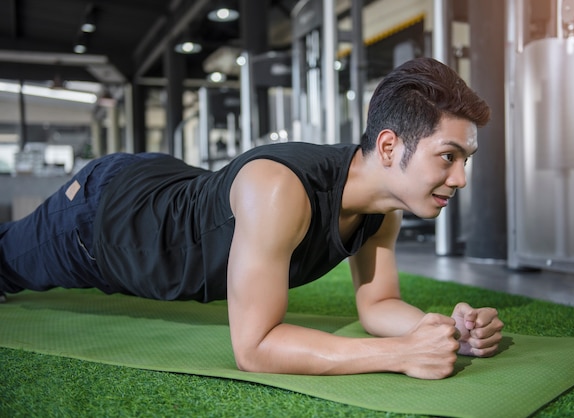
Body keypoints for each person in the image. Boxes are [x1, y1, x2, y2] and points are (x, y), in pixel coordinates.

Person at [0, 57, 503, 380]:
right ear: (390, 147)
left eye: (467, 161)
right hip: (102, 217)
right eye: (448, 157)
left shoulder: (382, 208)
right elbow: (255, 348)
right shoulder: (280, 190)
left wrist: (443, 330)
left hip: (167, 184)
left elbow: (379, 304)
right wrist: (398, 356)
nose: (460, 178)